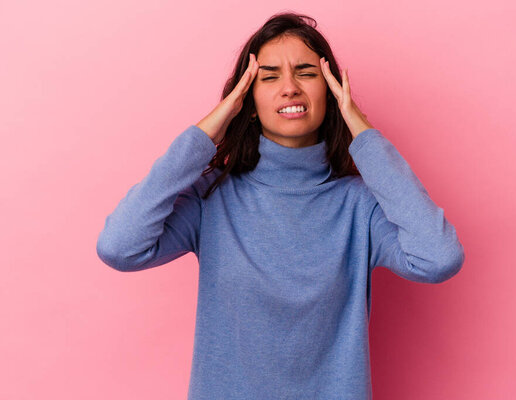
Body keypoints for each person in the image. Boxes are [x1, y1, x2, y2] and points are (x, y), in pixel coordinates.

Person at [96, 11, 465, 400]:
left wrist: (363, 131)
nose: (289, 87)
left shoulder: (360, 204)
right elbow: (120, 247)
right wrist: (208, 129)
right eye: (268, 77)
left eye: (306, 73)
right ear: (248, 101)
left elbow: (438, 258)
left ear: (331, 90)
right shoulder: (213, 198)